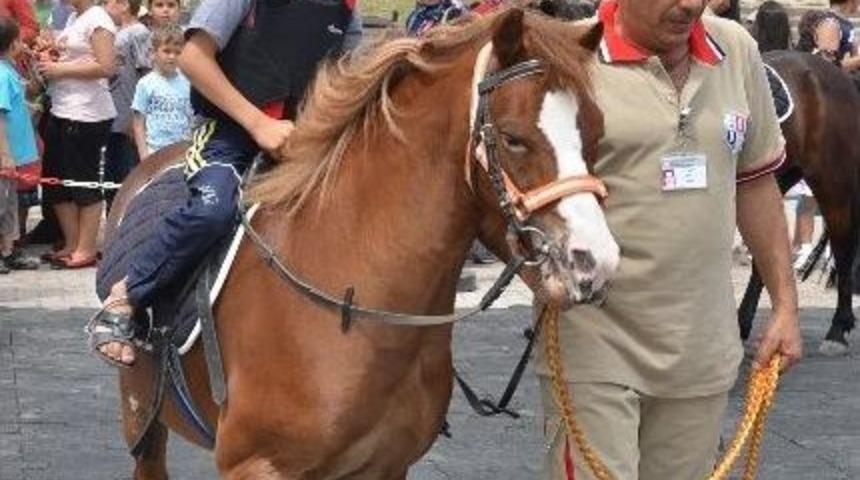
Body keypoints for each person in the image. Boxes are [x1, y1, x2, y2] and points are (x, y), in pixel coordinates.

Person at [537, 2, 802, 479]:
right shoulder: (567, 57)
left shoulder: (736, 48)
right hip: (594, 344)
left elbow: (756, 183)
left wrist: (785, 304)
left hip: (700, 348)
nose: (687, 5)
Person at [90, 0, 363, 367]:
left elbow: (342, 79)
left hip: (303, 140)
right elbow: (193, 59)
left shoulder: (346, 8)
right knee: (212, 210)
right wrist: (258, 124)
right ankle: (128, 294)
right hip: (228, 133)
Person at [36, 0, 116, 269]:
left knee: (84, 181)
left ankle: (87, 247)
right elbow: (74, 56)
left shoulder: (98, 18)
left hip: (86, 113)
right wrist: (52, 54)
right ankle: (71, 242)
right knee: (55, 180)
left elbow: (106, 66)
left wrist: (61, 69)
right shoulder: (74, 18)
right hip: (61, 108)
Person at [104, 0, 150, 213]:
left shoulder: (138, 32)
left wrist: (138, 117)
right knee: (111, 175)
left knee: (126, 173)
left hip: (127, 117)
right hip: (112, 115)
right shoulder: (113, 31)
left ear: (124, 4)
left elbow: (145, 72)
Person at [0, 17, 38, 272]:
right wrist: (4, 153)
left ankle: (8, 250)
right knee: (1, 205)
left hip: (15, 156)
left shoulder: (9, 72)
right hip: (6, 156)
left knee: (10, 205)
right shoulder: (2, 74)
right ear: (15, 44)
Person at [131, 24, 191, 160]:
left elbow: (192, 118)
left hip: (182, 152)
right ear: (153, 52)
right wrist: (144, 156)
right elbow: (138, 123)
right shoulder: (145, 83)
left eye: (177, 52)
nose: (172, 56)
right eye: (167, 51)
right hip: (155, 152)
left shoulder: (188, 82)